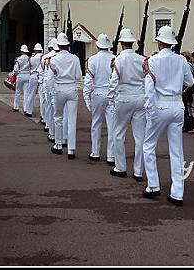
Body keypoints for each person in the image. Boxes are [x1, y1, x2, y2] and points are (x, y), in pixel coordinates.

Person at [142, 25, 194, 206]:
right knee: (176, 150)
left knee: (148, 145)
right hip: (177, 104)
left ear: (159, 42)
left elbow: (149, 88)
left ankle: (153, 185)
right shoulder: (181, 60)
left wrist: (148, 108)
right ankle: (177, 192)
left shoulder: (153, 61)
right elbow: (191, 81)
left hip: (159, 104)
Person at [108, 28, 146, 180]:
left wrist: (111, 98)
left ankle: (120, 167)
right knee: (140, 136)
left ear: (122, 43)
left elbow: (114, 81)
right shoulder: (142, 59)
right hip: (140, 97)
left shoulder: (119, 60)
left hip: (124, 97)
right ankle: (138, 171)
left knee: (118, 133)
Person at [83, 33, 116, 163]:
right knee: (112, 125)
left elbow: (88, 82)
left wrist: (87, 99)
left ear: (97, 46)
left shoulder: (92, 59)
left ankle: (95, 152)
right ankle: (111, 155)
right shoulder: (114, 58)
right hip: (111, 92)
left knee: (96, 123)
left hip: (97, 92)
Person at [49, 33, 82, 159]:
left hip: (59, 88)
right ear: (68, 45)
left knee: (58, 117)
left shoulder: (54, 59)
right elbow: (78, 76)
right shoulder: (75, 58)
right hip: (71, 88)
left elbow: (52, 75)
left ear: (58, 45)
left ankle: (58, 144)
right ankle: (71, 149)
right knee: (72, 120)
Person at [40, 38, 58, 140]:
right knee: (59, 111)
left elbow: (42, 69)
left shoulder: (45, 57)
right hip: (59, 85)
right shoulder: (61, 57)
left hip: (47, 84)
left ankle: (50, 128)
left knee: (49, 107)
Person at [23, 43, 43, 117]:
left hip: (33, 75)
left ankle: (28, 111)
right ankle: (43, 114)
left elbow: (27, 66)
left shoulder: (32, 58)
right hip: (41, 76)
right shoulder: (43, 57)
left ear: (35, 50)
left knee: (30, 93)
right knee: (42, 96)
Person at [13, 44, 31, 113]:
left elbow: (16, 69)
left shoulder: (18, 59)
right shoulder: (29, 59)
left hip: (20, 75)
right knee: (26, 93)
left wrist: (15, 74)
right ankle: (25, 108)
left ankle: (16, 107)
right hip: (27, 75)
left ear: (21, 51)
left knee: (18, 92)